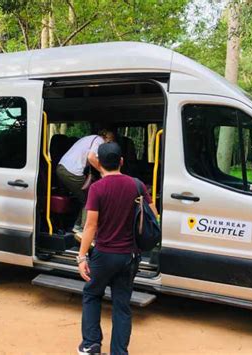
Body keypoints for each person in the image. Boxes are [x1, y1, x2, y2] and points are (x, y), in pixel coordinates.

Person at [76, 142, 158, 355]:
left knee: (92, 294)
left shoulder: (97, 188)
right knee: (122, 306)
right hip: (129, 256)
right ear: (121, 161)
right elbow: (153, 215)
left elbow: (91, 225)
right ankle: (119, 352)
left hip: (103, 256)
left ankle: (91, 344)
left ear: (99, 164)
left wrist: (82, 257)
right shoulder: (137, 185)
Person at [56, 129, 115, 233]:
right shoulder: (98, 141)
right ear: (105, 137)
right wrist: (105, 172)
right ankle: (84, 231)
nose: (109, 145)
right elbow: (91, 158)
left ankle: (78, 226)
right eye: (109, 142)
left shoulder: (90, 138)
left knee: (84, 198)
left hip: (63, 168)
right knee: (90, 199)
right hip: (71, 171)